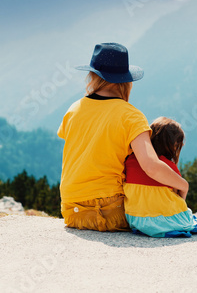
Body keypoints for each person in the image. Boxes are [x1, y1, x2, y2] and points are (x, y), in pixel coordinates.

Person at [57, 42, 189, 232]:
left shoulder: (74, 109)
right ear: (126, 81)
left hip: (72, 211)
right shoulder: (131, 115)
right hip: (110, 212)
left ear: (93, 76)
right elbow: (151, 167)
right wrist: (183, 184)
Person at [124, 117, 197, 237]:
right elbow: (180, 196)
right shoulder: (168, 167)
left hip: (135, 219)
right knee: (186, 212)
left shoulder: (129, 160)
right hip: (164, 221)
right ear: (174, 145)